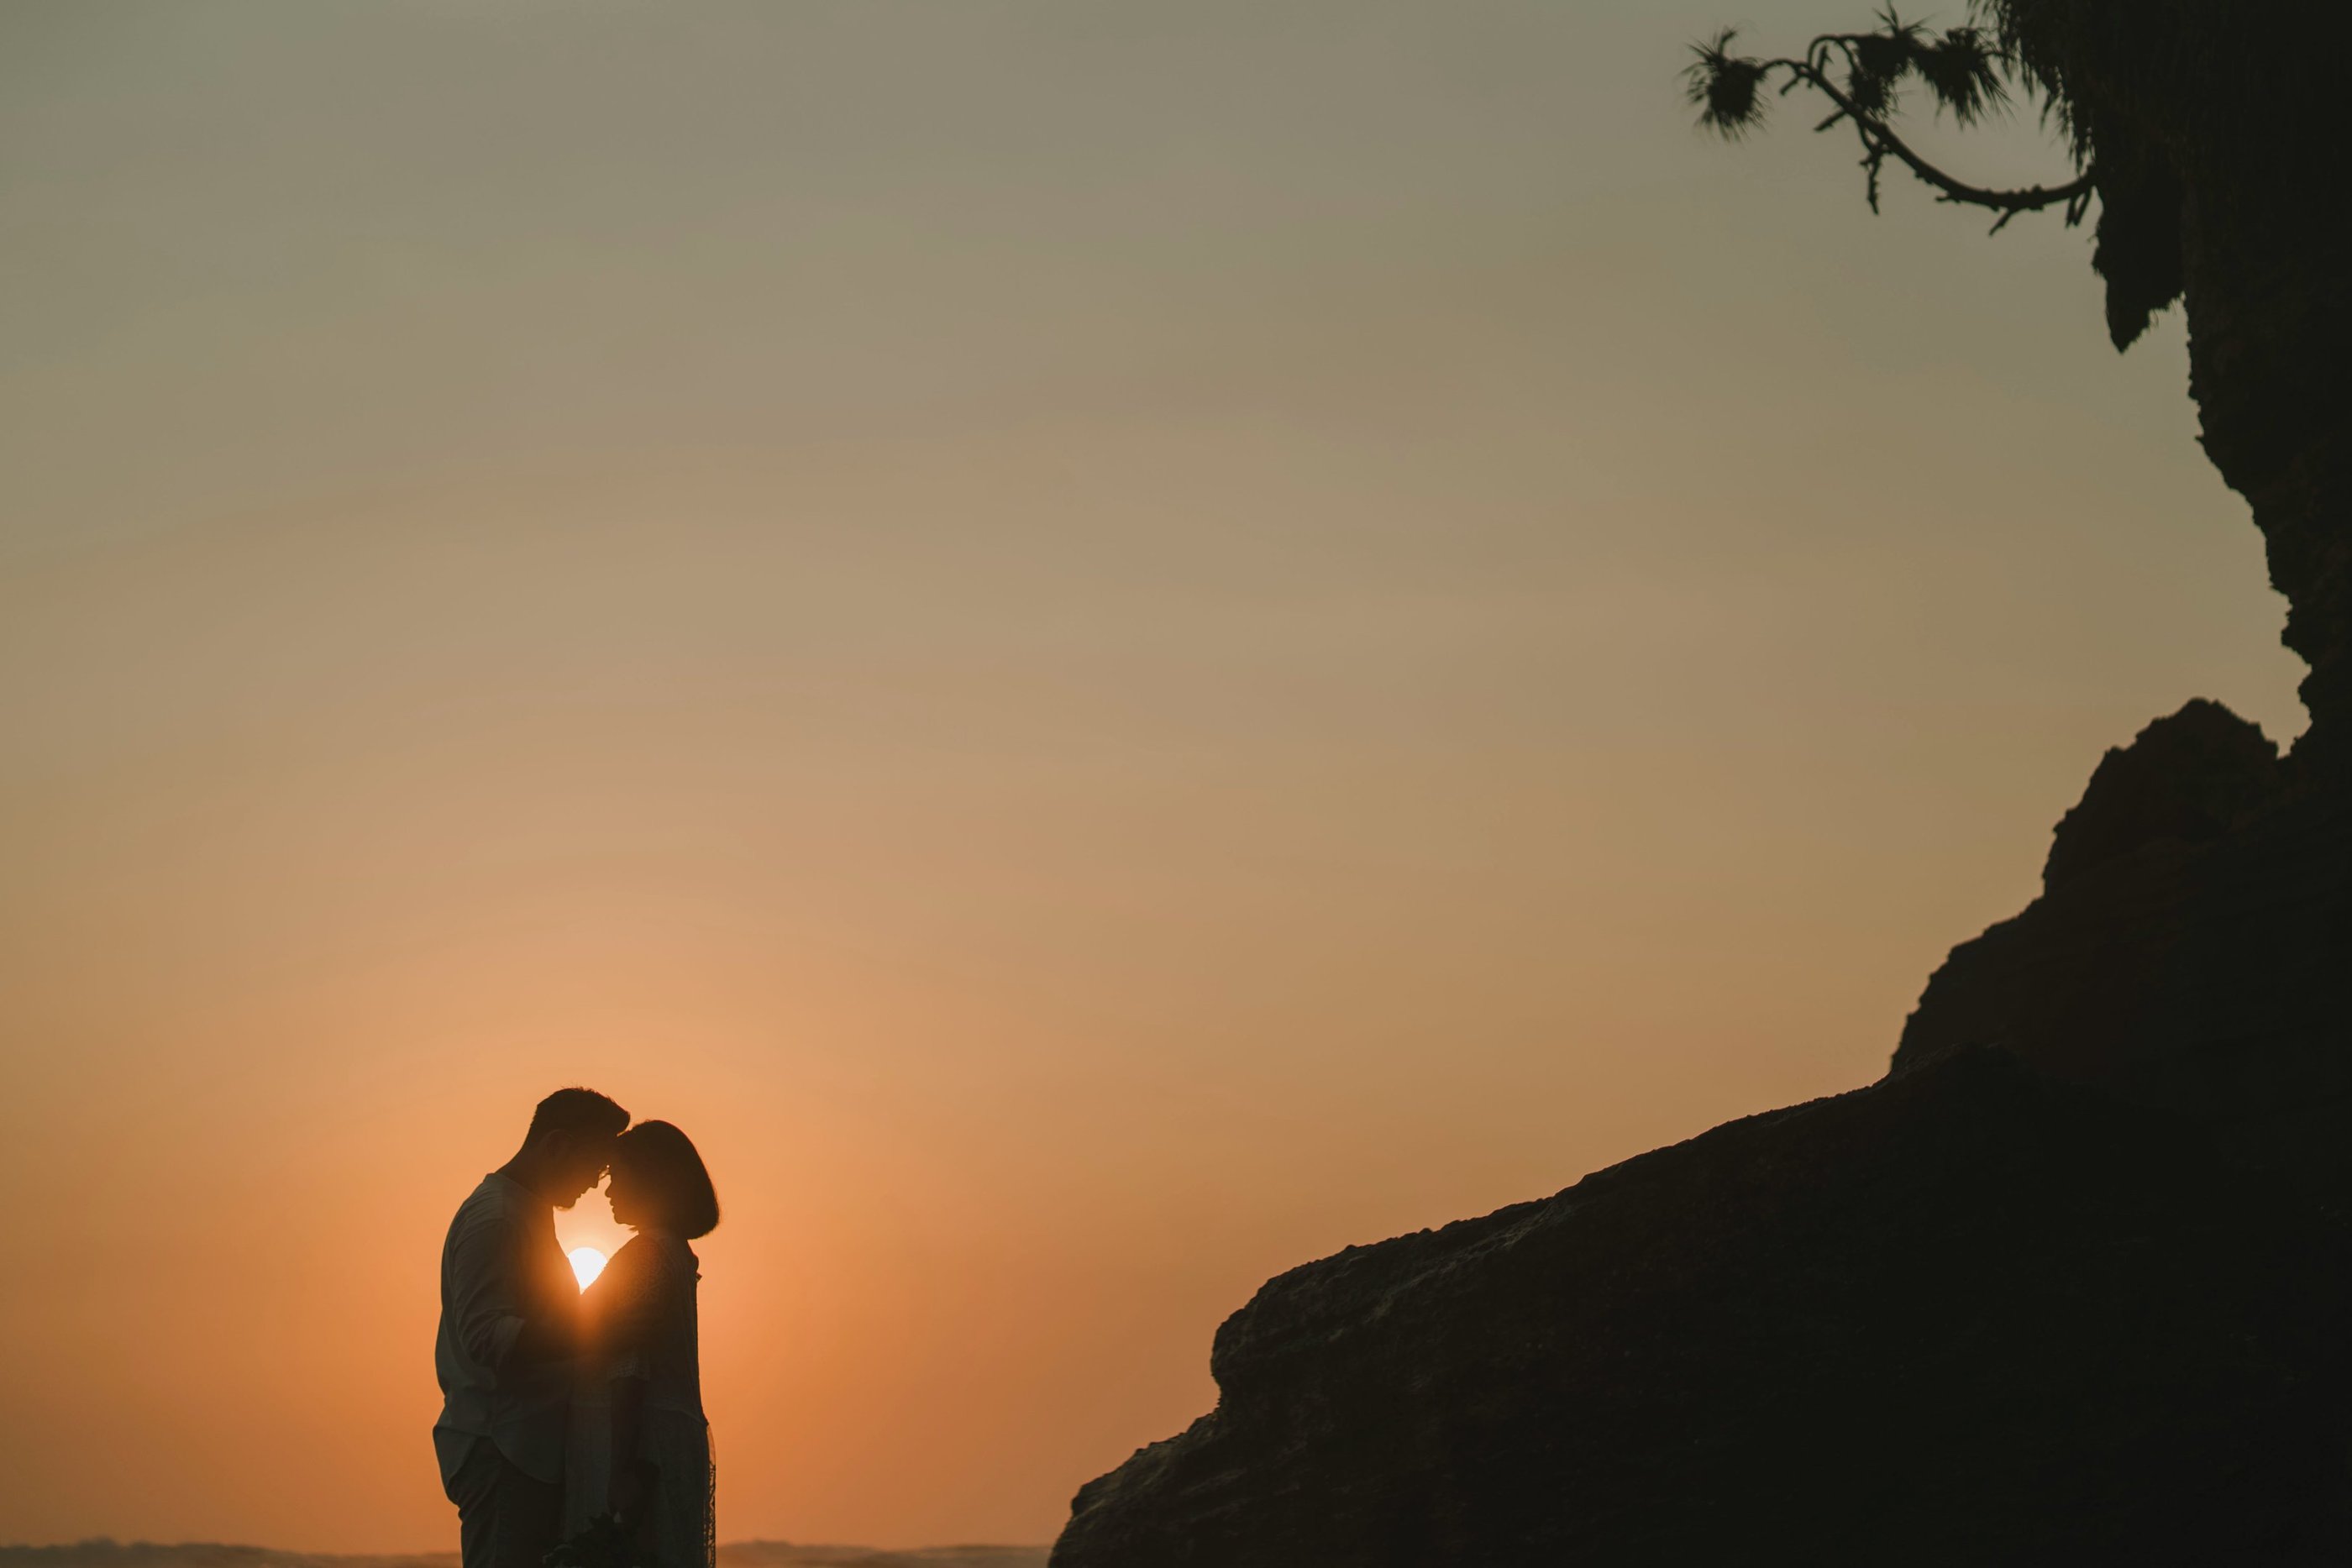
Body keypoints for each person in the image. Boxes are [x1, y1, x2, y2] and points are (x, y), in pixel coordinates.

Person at [435, 1088, 631, 1568]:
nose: (595, 1184)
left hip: (522, 1449)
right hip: (504, 1447)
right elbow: (486, 1336)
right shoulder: (498, 1216)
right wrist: (604, 1330)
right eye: (595, 1166)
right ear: (557, 1145)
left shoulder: (522, 1210)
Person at [565, 1120, 721, 1568]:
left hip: (638, 1444)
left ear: (652, 1178)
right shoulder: (673, 1250)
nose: (608, 1191)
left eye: (618, 1176)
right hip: (667, 1437)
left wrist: (620, 1468)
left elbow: (630, 1365)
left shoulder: (646, 1255)